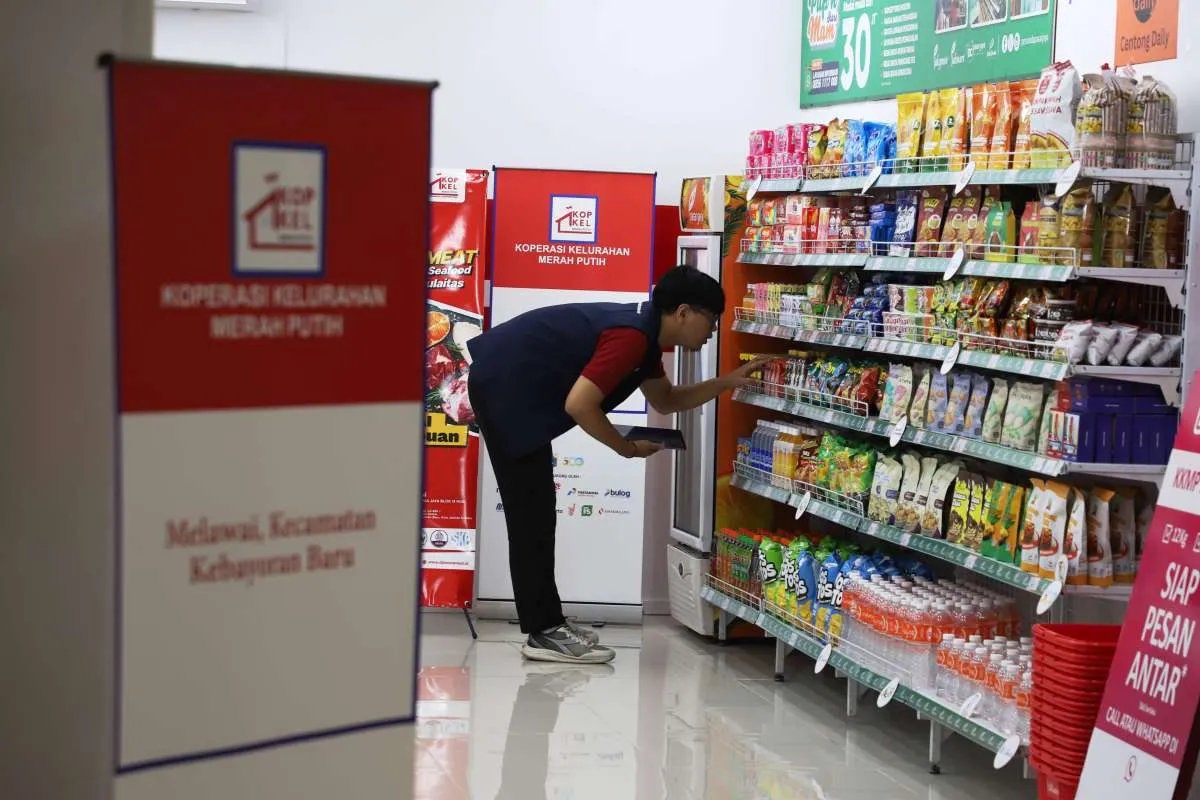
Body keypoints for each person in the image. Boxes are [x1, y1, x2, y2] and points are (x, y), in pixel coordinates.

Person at [466, 265, 769, 664]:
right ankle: (545, 632)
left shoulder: (646, 340)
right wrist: (624, 448)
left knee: (536, 513)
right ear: (682, 312)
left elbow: (667, 400)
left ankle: (548, 624)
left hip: (511, 383)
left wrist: (726, 383)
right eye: (711, 319)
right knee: (531, 515)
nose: (712, 330)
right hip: (504, 386)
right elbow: (580, 404)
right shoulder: (632, 338)